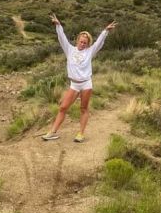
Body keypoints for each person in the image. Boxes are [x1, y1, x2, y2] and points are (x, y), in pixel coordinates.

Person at [42, 13, 116, 142]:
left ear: (88, 44)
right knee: (63, 107)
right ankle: (53, 132)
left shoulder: (90, 52)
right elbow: (62, 38)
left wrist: (105, 31)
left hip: (86, 83)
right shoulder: (69, 50)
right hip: (74, 84)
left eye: (85, 43)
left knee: (84, 108)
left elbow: (99, 42)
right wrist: (58, 25)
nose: (82, 44)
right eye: (81, 41)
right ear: (77, 41)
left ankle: (80, 134)